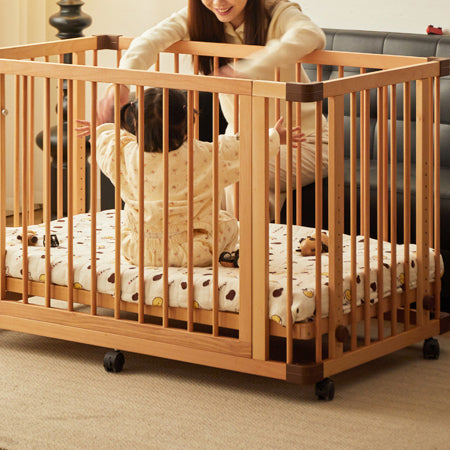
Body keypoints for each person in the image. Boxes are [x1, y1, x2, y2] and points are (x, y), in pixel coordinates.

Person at [97, 0, 329, 219]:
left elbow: (310, 34)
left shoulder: (277, 11)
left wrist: (247, 69)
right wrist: (121, 83)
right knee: (203, 168)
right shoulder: (200, 17)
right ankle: (194, 238)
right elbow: (149, 41)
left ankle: (241, 244)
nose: (218, 3)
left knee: (233, 168)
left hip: (303, 142)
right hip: (244, 140)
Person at [79, 87, 305, 267]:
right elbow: (242, 148)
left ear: (135, 124)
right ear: (188, 123)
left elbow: (108, 142)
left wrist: (101, 129)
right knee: (228, 222)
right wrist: (275, 137)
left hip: (138, 250)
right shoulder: (204, 156)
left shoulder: (124, 155)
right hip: (192, 250)